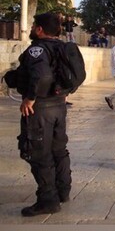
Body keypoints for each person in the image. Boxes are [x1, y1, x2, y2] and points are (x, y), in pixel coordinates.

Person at [17, 12, 72, 216]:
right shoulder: (61, 48)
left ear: (40, 29)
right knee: (59, 149)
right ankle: (63, 190)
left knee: (39, 152)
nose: (31, 29)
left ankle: (48, 200)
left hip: (41, 107)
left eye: (33, 26)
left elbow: (42, 75)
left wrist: (30, 98)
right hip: (59, 105)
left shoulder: (38, 49)